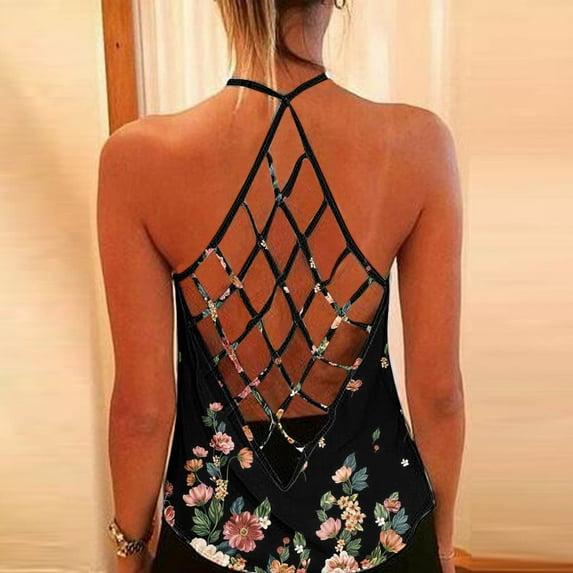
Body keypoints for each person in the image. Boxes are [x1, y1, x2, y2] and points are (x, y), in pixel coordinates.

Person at [97, 1, 465, 572]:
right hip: (378, 531)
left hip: (212, 541)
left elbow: (142, 413)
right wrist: (439, 547)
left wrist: (128, 552)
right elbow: (439, 396)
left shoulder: (138, 158)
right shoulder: (418, 144)